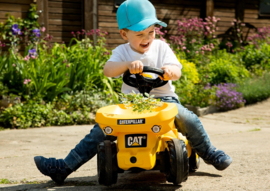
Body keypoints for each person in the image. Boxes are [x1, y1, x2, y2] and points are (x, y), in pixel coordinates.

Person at [34, 0, 232, 184]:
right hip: (131, 104)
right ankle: (64, 167)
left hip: (164, 101)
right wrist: (127, 65)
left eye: (151, 32)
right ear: (124, 34)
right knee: (100, 130)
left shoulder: (161, 48)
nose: (147, 38)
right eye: (140, 34)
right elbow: (108, 70)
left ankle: (209, 152)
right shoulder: (122, 52)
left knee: (188, 118)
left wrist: (171, 71)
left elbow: (177, 71)